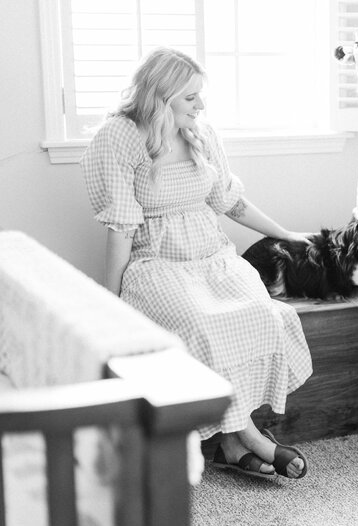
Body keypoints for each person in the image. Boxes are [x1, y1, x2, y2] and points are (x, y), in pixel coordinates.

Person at [80, 47, 313, 481]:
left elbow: (229, 201)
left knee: (263, 314)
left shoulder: (201, 133)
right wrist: (109, 302)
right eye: (191, 98)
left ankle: (228, 442)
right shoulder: (119, 137)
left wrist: (284, 233)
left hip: (212, 258)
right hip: (155, 263)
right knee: (200, 326)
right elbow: (120, 228)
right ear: (160, 97)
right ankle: (251, 435)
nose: (201, 106)